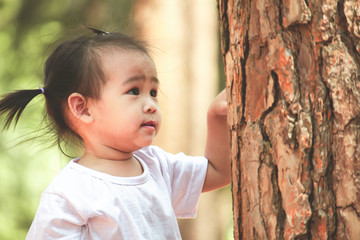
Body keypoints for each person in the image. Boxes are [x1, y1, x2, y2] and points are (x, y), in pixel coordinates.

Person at [0, 28, 230, 239]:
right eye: (133, 91)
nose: (151, 104)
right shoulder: (69, 194)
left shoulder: (156, 166)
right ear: (82, 108)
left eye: (153, 92)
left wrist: (217, 116)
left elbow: (220, 172)